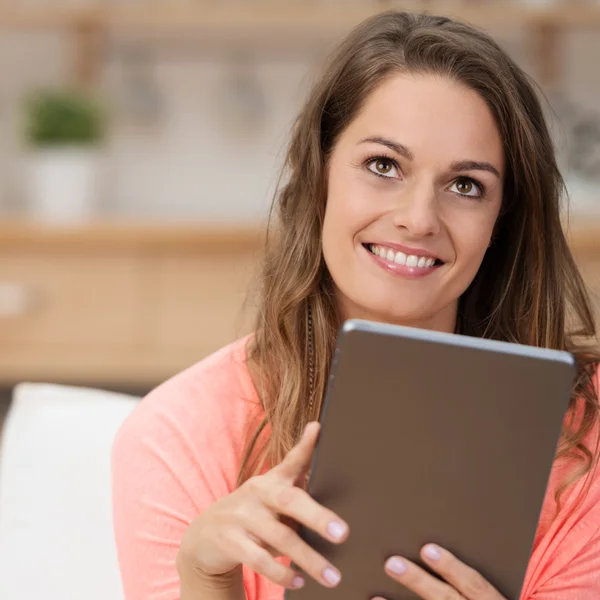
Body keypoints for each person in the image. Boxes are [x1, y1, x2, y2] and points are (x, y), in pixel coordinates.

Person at [111, 10, 600, 600]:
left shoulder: (586, 440)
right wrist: (207, 580)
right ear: (318, 177)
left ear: (503, 219)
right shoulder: (176, 437)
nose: (418, 219)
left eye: (466, 185)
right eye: (383, 166)